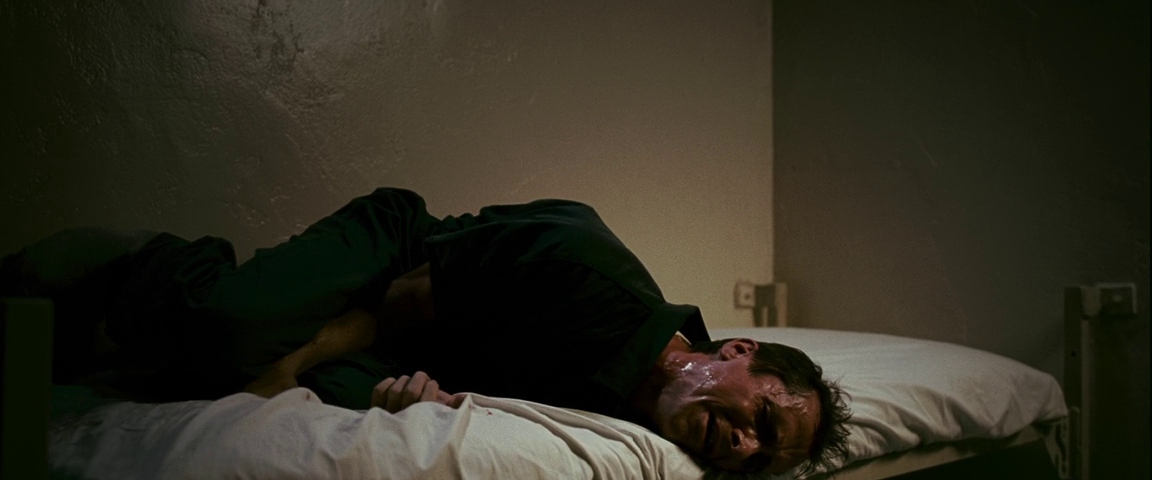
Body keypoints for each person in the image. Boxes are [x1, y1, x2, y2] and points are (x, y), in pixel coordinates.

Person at [2, 187, 850, 475]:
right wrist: (286, 368)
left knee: (316, 392)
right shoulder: (591, 273)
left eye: (759, 460)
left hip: (409, 348)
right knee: (231, 335)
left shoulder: (624, 416)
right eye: (763, 418)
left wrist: (415, 400)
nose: (743, 448)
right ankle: (161, 264)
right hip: (396, 267)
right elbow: (407, 299)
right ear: (738, 351)